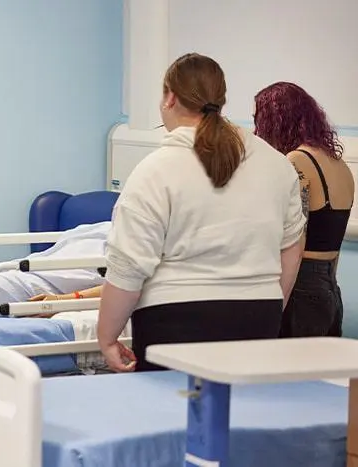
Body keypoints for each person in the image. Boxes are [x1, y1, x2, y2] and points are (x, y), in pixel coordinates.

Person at [95, 53, 306, 373]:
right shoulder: (276, 164)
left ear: (170, 97)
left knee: (174, 416)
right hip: (258, 317)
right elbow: (292, 246)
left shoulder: (155, 170)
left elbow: (128, 264)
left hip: (176, 321)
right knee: (241, 417)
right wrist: (270, 304)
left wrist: (107, 337)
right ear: (220, 99)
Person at [254, 82, 353, 338]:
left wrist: (277, 306)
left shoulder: (298, 161)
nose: (257, 131)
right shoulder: (338, 164)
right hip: (330, 287)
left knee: (286, 372)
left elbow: (295, 245)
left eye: (259, 119)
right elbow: (333, 246)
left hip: (301, 287)